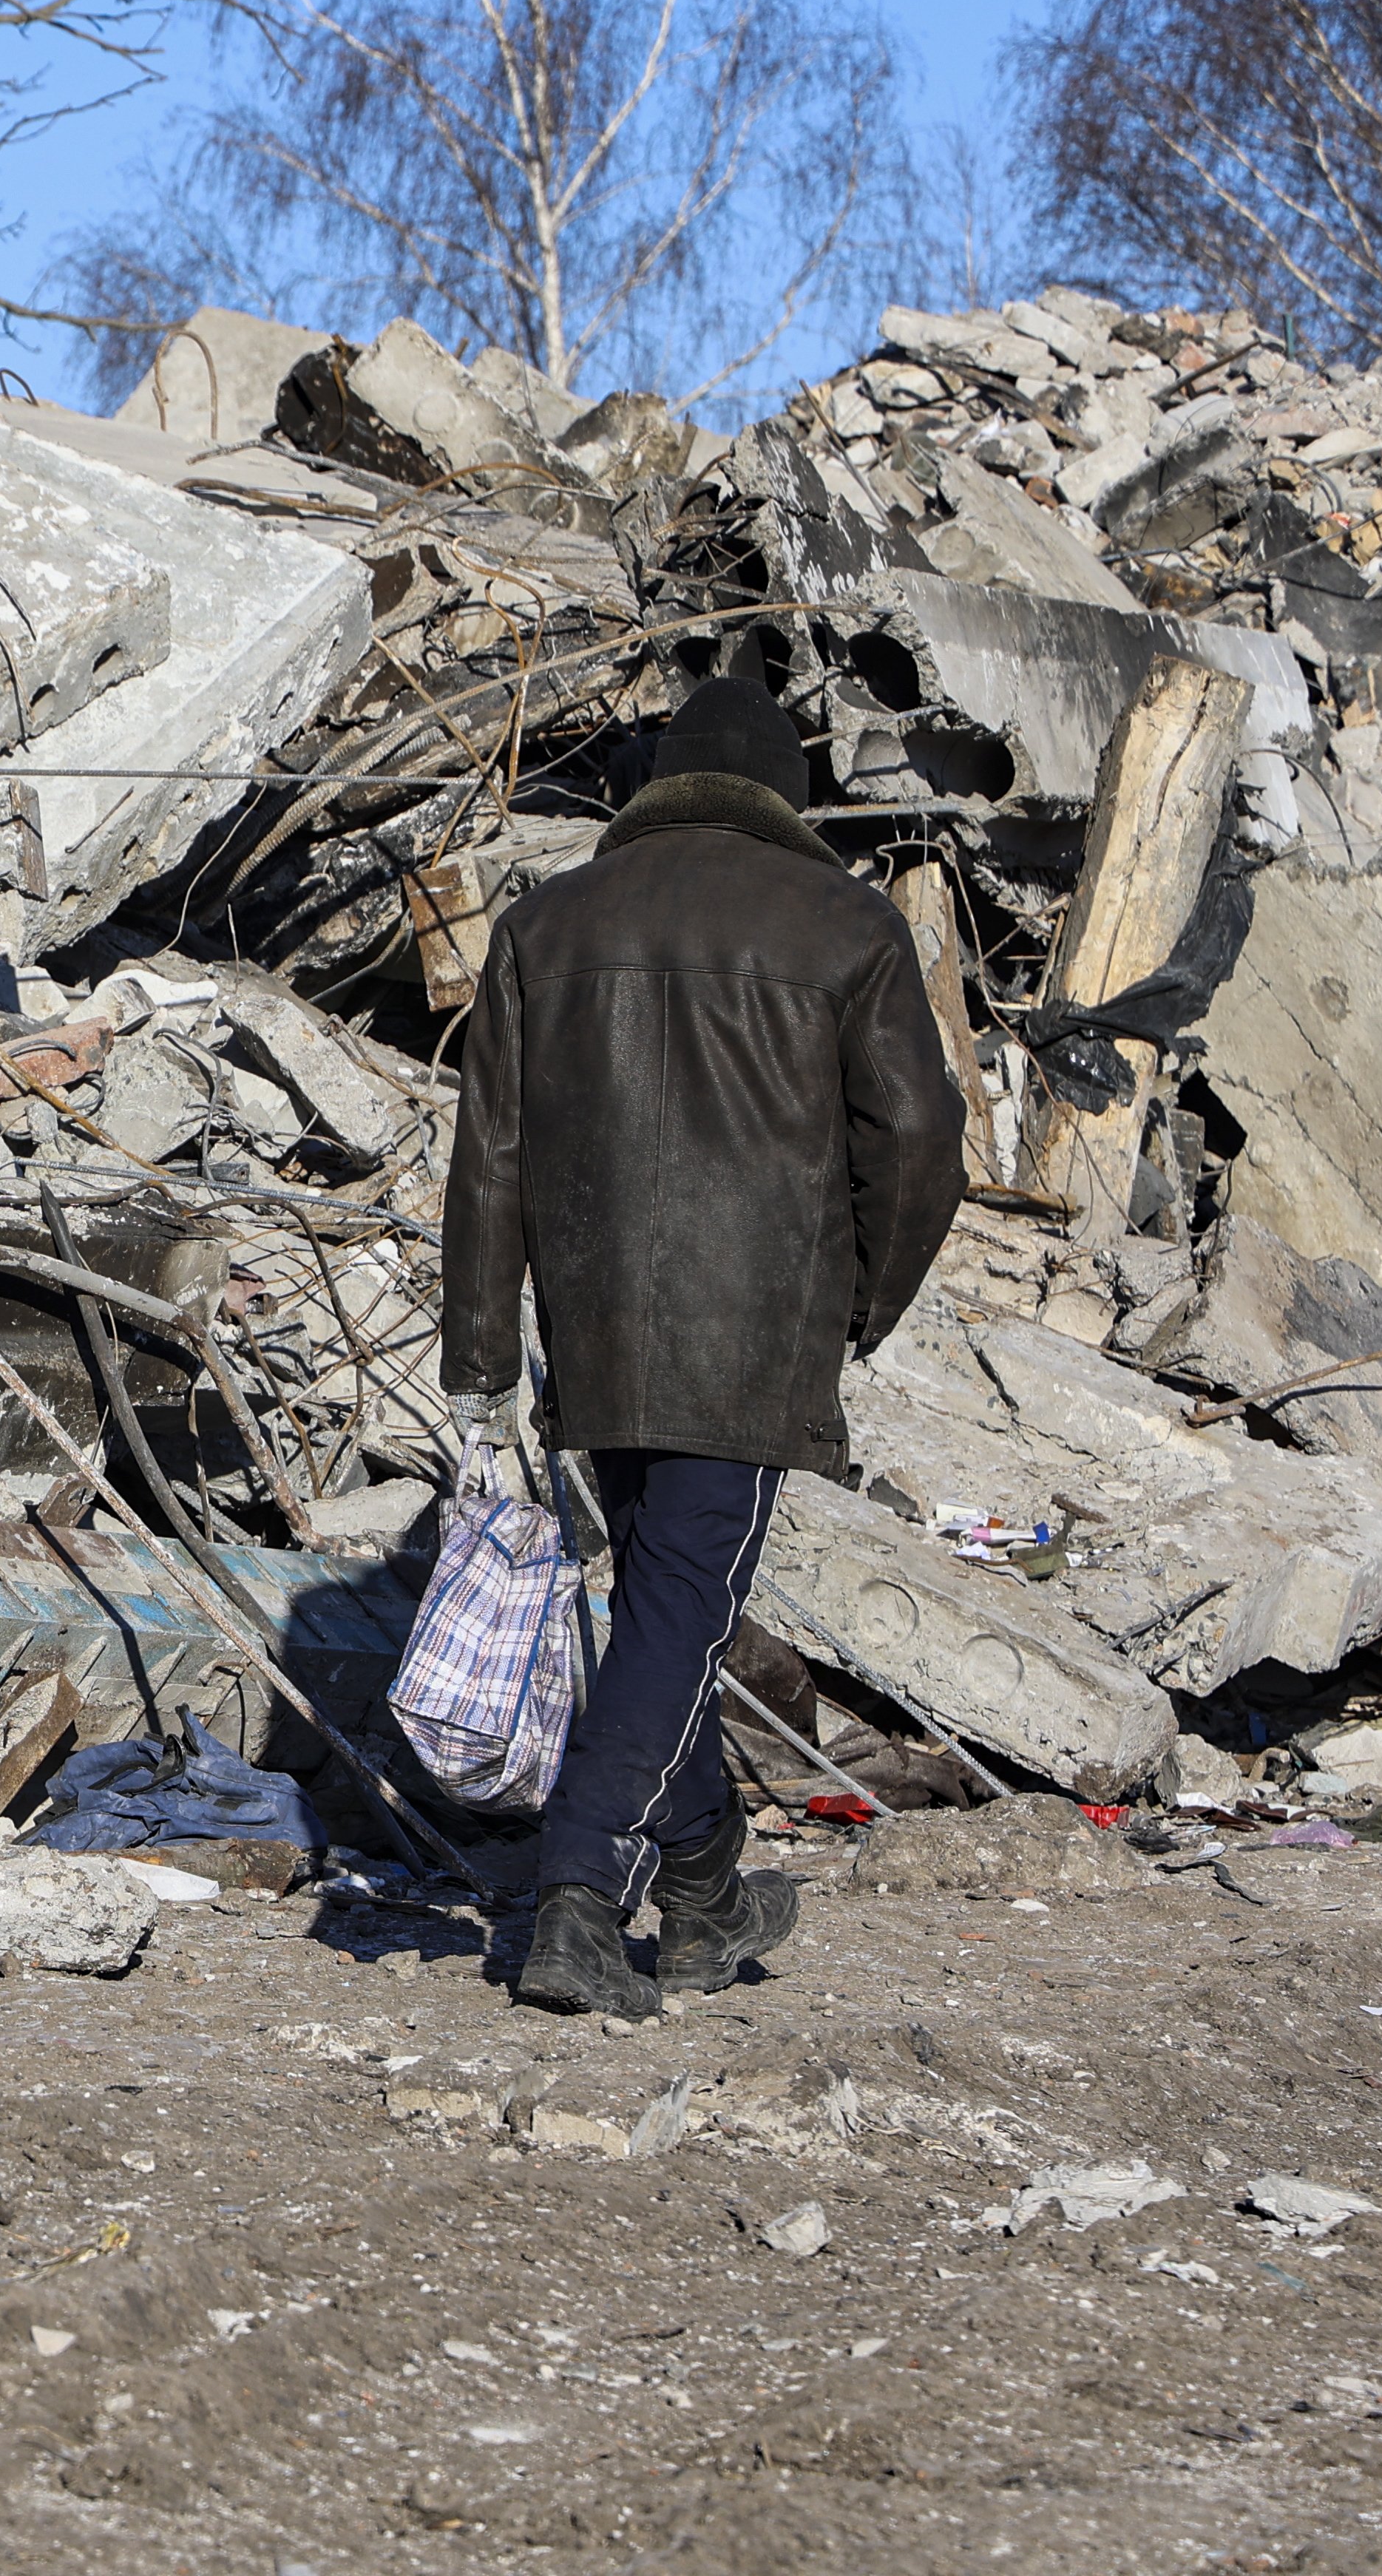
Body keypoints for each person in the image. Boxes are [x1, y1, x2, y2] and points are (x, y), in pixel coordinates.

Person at [439, 675, 965, 2019]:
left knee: (664, 1614)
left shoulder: (543, 926)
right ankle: (576, 1888)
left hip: (598, 1331)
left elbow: (487, 1159)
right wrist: (860, 1305)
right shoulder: (846, 925)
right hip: (751, 1337)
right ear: (783, 797)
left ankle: (709, 1888)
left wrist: (483, 1352)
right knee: (681, 1612)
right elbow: (914, 1141)